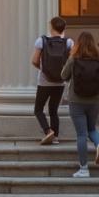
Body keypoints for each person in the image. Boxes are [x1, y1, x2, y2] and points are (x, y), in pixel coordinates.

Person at [61, 31, 99, 178]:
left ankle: (84, 169)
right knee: (91, 128)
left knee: (81, 133)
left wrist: (70, 61)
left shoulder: (73, 59)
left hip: (76, 100)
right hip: (94, 100)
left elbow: (63, 76)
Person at [31, 17, 73, 145]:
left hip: (44, 81)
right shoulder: (69, 42)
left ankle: (48, 131)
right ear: (64, 28)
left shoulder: (41, 41)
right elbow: (71, 62)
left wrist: (44, 69)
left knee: (38, 109)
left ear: (51, 26)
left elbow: (34, 60)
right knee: (53, 110)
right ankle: (55, 137)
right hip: (60, 81)